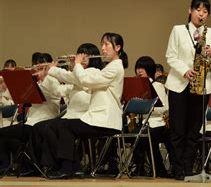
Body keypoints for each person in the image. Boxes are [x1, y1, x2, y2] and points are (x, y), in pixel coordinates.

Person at [45, 32, 128, 179]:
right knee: (65, 125)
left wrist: (77, 65)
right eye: (102, 44)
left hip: (105, 119)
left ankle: (67, 168)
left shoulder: (115, 68)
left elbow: (86, 81)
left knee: (65, 126)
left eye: (107, 44)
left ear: (118, 47)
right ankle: (74, 168)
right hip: (99, 117)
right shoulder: (109, 67)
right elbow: (81, 78)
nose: (103, 48)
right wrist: (73, 65)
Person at [165, 0, 211, 180]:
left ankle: (188, 168)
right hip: (179, 84)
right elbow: (170, 56)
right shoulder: (178, 30)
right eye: (198, 10)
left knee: (193, 131)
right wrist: (184, 71)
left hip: (201, 87)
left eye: (205, 11)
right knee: (177, 129)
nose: (201, 14)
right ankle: (177, 168)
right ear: (190, 10)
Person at [32, 43, 103, 174]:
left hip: (84, 115)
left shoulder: (94, 72)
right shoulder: (78, 75)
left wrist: (54, 69)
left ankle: (66, 166)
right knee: (40, 127)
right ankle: (63, 164)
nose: (82, 57)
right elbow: (59, 91)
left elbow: (71, 77)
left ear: (94, 58)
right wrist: (47, 76)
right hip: (71, 115)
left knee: (54, 127)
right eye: (80, 54)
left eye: (86, 55)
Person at [133, 56, 174, 177]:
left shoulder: (157, 86)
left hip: (158, 123)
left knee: (144, 134)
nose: (139, 71)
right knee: (138, 132)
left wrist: (146, 107)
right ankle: (140, 167)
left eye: (142, 68)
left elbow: (165, 108)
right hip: (142, 123)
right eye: (138, 68)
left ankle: (158, 168)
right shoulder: (135, 86)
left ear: (149, 69)